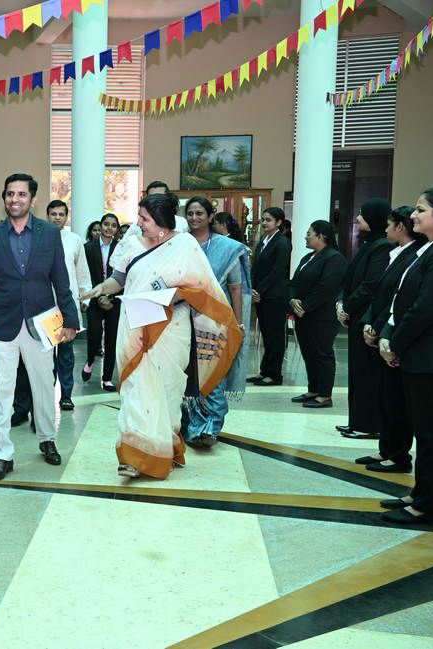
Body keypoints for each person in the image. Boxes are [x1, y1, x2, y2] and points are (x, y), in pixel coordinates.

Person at [80, 193, 241, 479]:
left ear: (161, 220)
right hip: (134, 326)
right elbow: (119, 279)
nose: (139, 223)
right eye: (139, 217)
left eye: (144, 219)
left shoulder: (184, 245)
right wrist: (100, 288)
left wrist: (165, 297)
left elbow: (200, 287)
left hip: (171, 328)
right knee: (135, 388)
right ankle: (133, 456)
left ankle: (164, 446)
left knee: (167, 391)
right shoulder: (132, 244)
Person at [0, 173, 79, 482]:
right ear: (4, 198)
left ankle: (47, 439)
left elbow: (61, 279)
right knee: (2, 392)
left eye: (21, 194)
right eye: (10, 194)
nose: (15, 199)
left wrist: (71, 320)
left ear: (32, 199)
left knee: (44, 386)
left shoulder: (50, 234)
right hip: (3, 324)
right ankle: (3, 455)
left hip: (42, 322)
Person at [378, 186, 433, 525]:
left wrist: (396, 343)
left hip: (432, 358)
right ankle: (420, 491)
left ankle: (426, 504)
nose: (413, 215)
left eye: (421, 210)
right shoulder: (431, 249)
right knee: (424, 430)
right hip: (421, 354)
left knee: (432, 433)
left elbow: (425, 308)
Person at [355, 206, 424, 471]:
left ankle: (398, 455)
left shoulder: (414, 255)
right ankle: (386, 449)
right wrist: (371, 323)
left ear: (400, 227)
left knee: (397, 402)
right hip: (383, 328)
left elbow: (401, 301)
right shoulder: (397, 253)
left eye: (388, 225)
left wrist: (383, 330)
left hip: (396, 335)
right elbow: (383, 295)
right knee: (386, 398)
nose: (385, 229)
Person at [12, 199, 90, 423]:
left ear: (66, 217)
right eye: (53, 214)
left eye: (61, 214)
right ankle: (25, 406)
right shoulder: (37, 237)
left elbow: (81, 271)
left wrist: (84, 296)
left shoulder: (74, 240)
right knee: (33, 361)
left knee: (65, 356)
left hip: (65, 308)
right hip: (42, 308)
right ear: (47, 216)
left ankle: (65, 396)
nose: (57, 218)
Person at [183, 197, 251, 447]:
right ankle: (193, 428)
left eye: (199, 213)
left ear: (211, 216)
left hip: (217, 321)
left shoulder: (227, 247)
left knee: (214, 374)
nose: (194, 218)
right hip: (185, 318)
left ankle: (210, 428)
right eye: (190, 213)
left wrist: (237, 323)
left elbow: (235, 288)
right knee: (190, 375)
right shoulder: (180, 243)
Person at [335, 199, 393, 440]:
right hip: (355, 316)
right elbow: (350, 280)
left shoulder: (382, 247)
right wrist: (341, 302)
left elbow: (370, 285)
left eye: (362, 214)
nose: (358, 219)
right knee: (356, 374)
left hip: (365, 318)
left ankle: (368, 425)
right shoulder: (369, 244)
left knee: (367, 375)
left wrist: (347, 307)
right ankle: (356, 421)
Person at [288, 220, 348, 408]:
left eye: (309, 233)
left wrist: (305, 306)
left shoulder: (334, 258)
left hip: (322, 316)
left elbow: (326, 288)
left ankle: (324, 395)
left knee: (322, 353)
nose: (305, 237)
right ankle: (313, 389)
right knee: (308, 353)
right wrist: (292, 299)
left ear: (321, 236)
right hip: (303, 314)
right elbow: (294, 282)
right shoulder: (308, 257)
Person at [249, 207, 291, 386]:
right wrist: (252, 288)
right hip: (261, 295)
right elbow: (256, 267)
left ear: (279, 222)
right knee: (266, 335)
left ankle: (274, 374)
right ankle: (265, 371)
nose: (264, 223)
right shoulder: (263, 241)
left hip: (274, 296)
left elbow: (277, 271)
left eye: (268, 220)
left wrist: (260, 290)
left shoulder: (282, 242)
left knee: (275, 337)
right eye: (263, 219)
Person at [83, 213, 123, 392]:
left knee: (111, 339)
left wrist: (110, 296)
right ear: (101, 226)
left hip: (114, 300)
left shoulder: (121, 248)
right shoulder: (88, 248)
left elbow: (123, 276)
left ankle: (107, 378)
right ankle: (90, 360)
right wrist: (98, 296)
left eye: (113, 225)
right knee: (94, 335)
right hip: (94, 298)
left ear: (117, 229)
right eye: (106, 224)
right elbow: (85, 274)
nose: (109, 228)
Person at [123, 181, 189, 237]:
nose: (155, 201)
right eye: (151, 198)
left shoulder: (182, 223)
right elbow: (121, 247)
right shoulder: (136, 227)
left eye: (160, 197)